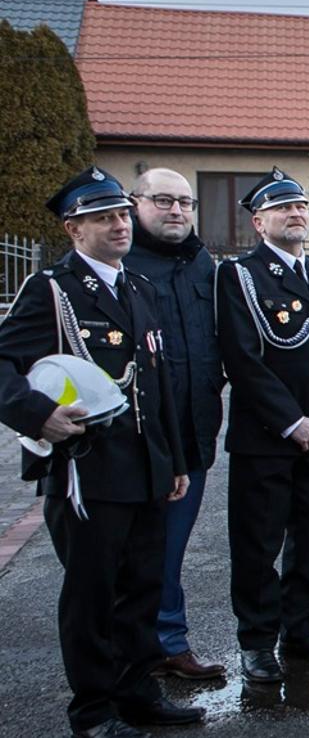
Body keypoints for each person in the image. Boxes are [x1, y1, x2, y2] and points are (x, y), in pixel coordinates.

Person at [0, 167, 204, 736]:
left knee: (142, 588)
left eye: (121, 215)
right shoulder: (52, 289)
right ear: (74, 229)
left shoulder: (138, 287)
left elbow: (157, 385)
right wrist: (36, 413)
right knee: (93, 595)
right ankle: (93, 711)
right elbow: (4, 364)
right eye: (103, 218)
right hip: (87, 470)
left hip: (146, 468)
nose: (119, 225)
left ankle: (137, 694)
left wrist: (174, 461)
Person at [215, 169, 309, 684]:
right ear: (259, 222)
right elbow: (242, 359)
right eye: (282, 208)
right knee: (259, 542)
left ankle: (301, 628)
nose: (295, 214)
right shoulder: (241, 276)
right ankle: (257, 641)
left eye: (300, 206)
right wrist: (291, 421)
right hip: (267, 438)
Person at [121, 167, 226, 681]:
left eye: (185, 202)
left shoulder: (202, 263)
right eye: (163, 200)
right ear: (136, 204)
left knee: (170, 547)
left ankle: (167, 641)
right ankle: (129, 656)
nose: (177, 211)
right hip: (136, 438)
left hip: (192, 431)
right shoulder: (121, 263)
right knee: (131, 553)